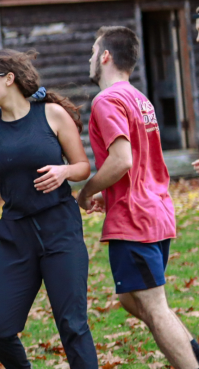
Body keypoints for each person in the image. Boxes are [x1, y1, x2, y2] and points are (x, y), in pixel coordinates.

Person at [0, 49, 98, 369]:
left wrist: (64, 172)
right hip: (16, 236)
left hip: (60, 229)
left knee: (73, 326)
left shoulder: (51, 114)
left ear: (8, 79)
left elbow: (81, 166)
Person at [78, 26, 199, 369]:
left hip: (136, 218)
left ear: (104, 56)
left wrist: (87, 190)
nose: (89, 59)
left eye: (92, 52)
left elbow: (122, 160)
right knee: (130, 299)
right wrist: (110, 190)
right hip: (155, 210)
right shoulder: (139, 98)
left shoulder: (107, 100)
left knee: (154, 307)